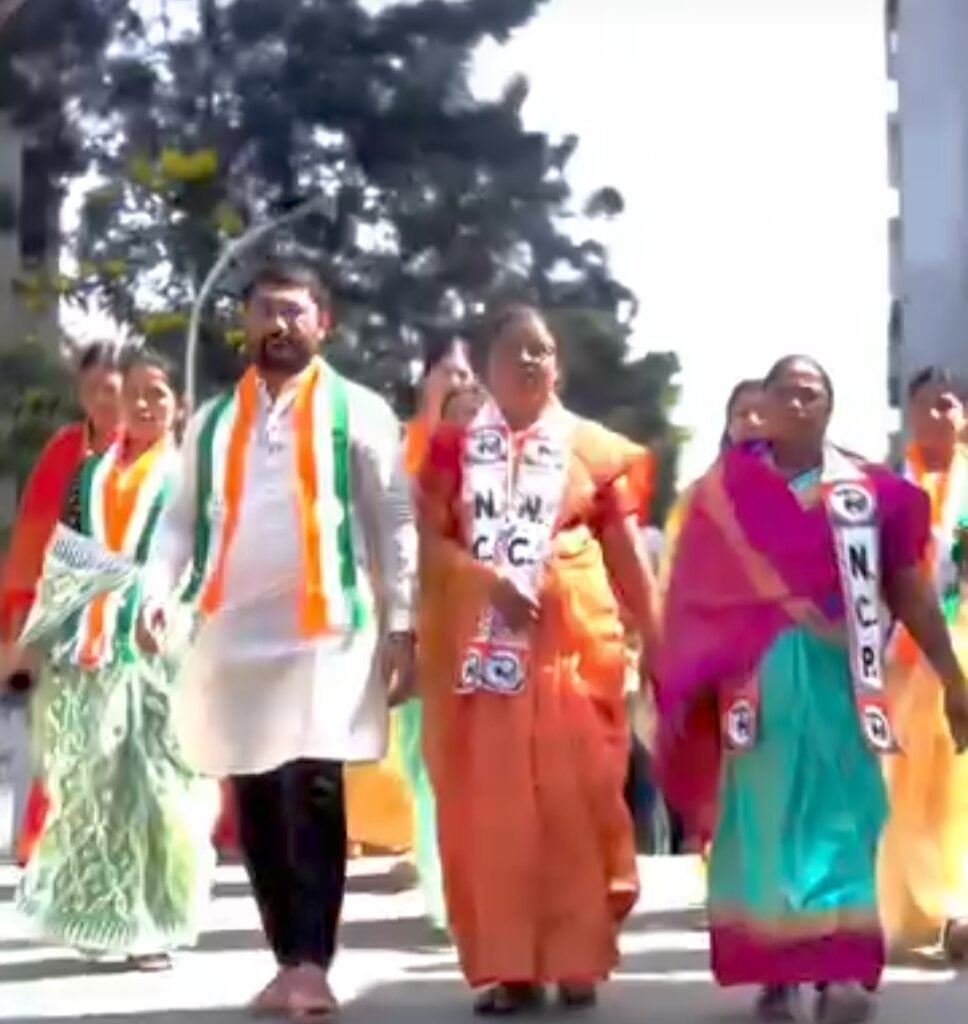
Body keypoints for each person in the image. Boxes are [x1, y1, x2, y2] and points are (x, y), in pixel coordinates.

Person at [138, 259, 417, 1017]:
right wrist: (155, 593)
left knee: (313, 783)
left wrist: (403, 622)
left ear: (323, 323)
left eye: (294, 311)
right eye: (266, 310)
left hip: (328, 630)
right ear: (247, 323)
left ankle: (314, 965)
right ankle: (287, 959)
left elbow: (394, 520)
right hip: (236, 631)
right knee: (256, 787)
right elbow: (176, 521)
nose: (279, 325)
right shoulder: (212, 422)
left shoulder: (358, 412)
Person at [656, 355, 968, 1024]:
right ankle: (778, 973)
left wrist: (951, 674)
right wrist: (684, 683)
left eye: (813, 393)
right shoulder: (721, 495)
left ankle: (841, 969)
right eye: (787, 392)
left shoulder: (868, 492)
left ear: (830, 408)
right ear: (765, 406)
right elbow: (691, 597)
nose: (800, 403)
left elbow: (907, 586)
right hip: (757, 690)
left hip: (843, 686)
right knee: (767, 823)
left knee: (846, 817)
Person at [417, 305, 659, 1014]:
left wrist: (659, 637)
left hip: (573, 655)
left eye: (542, 350)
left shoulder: (592, 448)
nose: (529, 361)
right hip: (482, 661)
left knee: (577, 796)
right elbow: (427, 543)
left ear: (559, 367)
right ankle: (512, 966)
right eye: (515, 349)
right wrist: (482, 580)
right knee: (493, 812)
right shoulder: (454, 450)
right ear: (486, 366)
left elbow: (626, 555)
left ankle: (577, 955)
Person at [13, 347, 216, 969]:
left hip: (160, 654)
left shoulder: (189, 478)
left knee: (156, 790)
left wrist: (171, 613)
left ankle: (154, 922)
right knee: (95, 788)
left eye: (159, 394)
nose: (146, 405)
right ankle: (103, 913)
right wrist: (34, 636)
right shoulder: (89, 477)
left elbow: (204, 562)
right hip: (90, 651)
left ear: (178, 406)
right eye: (135, 395)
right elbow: (68, 560)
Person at [344, 338, 473, 878]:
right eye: (450, 372)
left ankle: (454, 863)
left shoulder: (486, 448)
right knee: (423, 748)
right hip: (413, 614)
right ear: (426, 380)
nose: (459, 382)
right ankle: (432, 860)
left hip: (470, 617)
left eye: (466, 375)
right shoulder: (398, 447)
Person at [0, 342, 122, 867]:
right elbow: (32, 543)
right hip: (68, 616)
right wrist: (20, 626)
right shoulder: (63, 451)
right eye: (92, 389)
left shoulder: (156, 450)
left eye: (111, 389)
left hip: (135, 616)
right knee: (60, 733)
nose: (102, 400)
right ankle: (49, 842)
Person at [879, 366, 968, 958]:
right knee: (907, 785)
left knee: (958, 783)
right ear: (909, 414)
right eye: (926, 405)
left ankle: (958, 905)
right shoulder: (890, 491)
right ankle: (920, 908)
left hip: (962, 645)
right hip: (902, 658)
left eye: (948, 404)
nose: (937, 415)